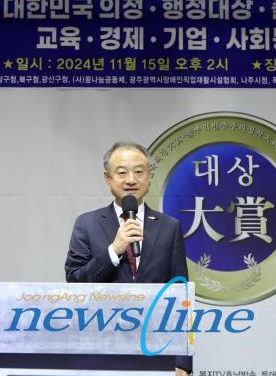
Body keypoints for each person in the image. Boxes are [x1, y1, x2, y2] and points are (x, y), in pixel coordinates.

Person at [64, 141, 192, 376]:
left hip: (155, 351)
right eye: (122, 172)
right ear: (107, 178)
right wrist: (114, 250)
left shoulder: (169, 227)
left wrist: (182, 361)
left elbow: (179, 296)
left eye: (139, 171)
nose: (131, 180)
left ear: (149, 176)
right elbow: (75, 283)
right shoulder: (87, 224)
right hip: (99, 350)